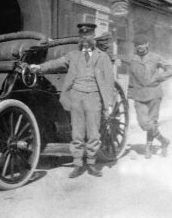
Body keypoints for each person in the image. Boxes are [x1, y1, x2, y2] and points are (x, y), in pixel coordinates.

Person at [30, 23, 114, 178]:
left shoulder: (102, 57)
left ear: (93, 37)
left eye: (88, 35)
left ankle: (91, 163)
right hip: (76, 97)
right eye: (82, 36)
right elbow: (56, 63)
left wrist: (108, 105)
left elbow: (109, 82)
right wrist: (39, 68)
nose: (85, 38)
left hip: (94, 98)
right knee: (77, 133)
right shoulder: (73, 55)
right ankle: (77, 165)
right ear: (80, 38)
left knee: (94, 133)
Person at [128, 34, 172, 159]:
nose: (140, 47)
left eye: (142, 44)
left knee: (152, 121)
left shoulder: (155, 57)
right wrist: (130, 94)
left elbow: (171, 69)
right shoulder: (133, 59)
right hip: (139, 95)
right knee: (143, 123)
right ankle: (163, 140)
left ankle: (148, 146)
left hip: (154, 93)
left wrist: (159, 78)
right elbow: (131, 79)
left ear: (147, 44)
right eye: (137, 45)